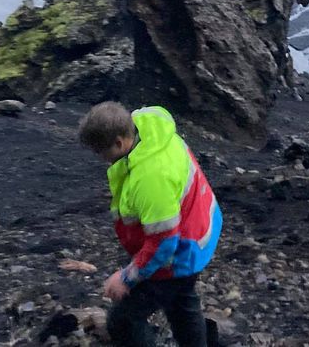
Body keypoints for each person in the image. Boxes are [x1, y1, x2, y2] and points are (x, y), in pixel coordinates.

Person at [79, 102, 222, 347]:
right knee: (182, 302)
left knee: (123, 320)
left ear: (119, 143)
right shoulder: (148, 125)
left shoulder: (150, 178)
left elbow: (164, 243)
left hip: (181, 251)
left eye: (101, 152)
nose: (101, 159)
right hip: (200, 227)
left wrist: (126, 277)